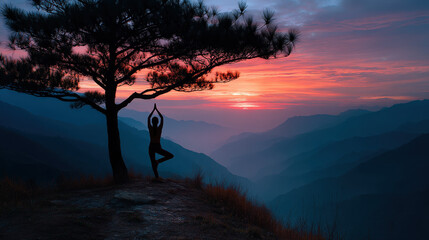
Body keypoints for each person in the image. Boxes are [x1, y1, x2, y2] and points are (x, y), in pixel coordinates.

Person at [147, 103, 174, 178]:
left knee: (153, 163)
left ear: (152, 122)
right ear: (157, 122)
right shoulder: (159, 129)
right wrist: (157, 110)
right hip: (157, 146)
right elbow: (162, 118)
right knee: (170, 156)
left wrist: (153, 110)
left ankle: (157, 177)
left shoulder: (150, 128)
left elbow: (148, 118)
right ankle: (158, 162)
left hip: (151, 146)